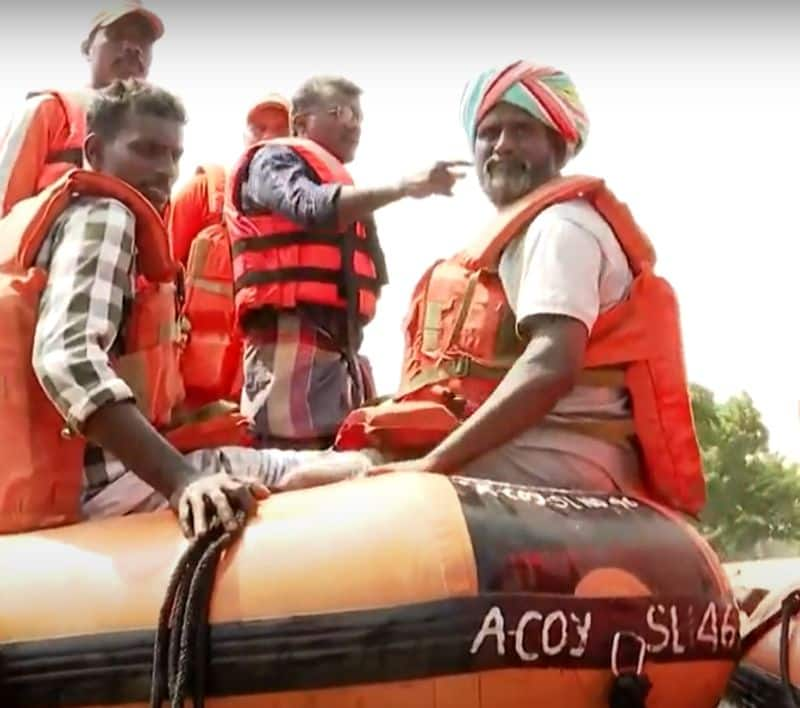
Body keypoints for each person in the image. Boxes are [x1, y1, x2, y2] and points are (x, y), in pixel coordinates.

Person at [0, 79, 374, 539]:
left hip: (57, 476)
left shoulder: (49, 220)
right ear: (94, 153)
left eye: (174, 155)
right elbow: (67, 360)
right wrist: (182, 481)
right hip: (96, 486)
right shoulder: (106, 214)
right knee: (347, 469)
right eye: (146, 151)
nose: (166, 171)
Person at [333, 60, 705, 517]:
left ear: (560, 146)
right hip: (530, 449)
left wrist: (434, 463)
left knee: (321, 479)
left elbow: (552, 365)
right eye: (490, 132)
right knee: (307, 471)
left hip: (562, 457)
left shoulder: (560, 227)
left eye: (522, 130)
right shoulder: (525, 232)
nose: (503, 145)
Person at [225, 74, 468, 451]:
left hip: (337, 349)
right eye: (338, 111)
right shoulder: (272, 159)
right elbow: (309, 206)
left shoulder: (336, 179)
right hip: (290, 342)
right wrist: (405, 187)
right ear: (301, 123)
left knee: (334, 459)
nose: (352, 123)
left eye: (358, 115)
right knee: (289, 462)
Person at [168, 94, 292, 407]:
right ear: (244, 138)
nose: (268, 138)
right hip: (186, 402)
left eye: (280, 128)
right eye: (258, 128)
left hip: (268, 407)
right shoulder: (203, 195)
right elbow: (152, 278)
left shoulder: (313, 223)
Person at [0, 1, 163, 217]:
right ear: (88, 49)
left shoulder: (160, 137)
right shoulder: (48, 111)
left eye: (143, 41)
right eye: (117, 35)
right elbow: (4, 201)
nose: (133, 47)